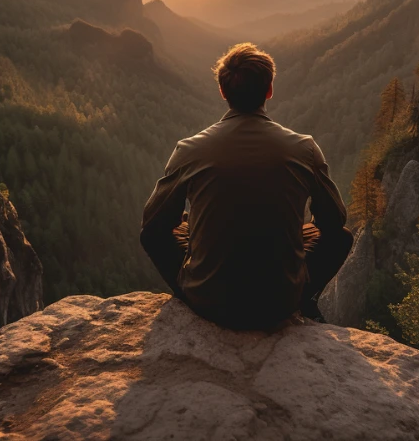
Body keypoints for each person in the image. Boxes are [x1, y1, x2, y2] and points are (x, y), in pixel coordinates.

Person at [140, 42, 353, 330]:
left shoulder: (189, 149)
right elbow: (334, 221)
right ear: (270, 89)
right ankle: (302, 299)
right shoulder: (305, 149)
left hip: (208, 302)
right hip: (280, 303)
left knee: (165, 231)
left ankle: (188, 292)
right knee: (340, 238)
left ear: (222, 91)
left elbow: (153, 226)